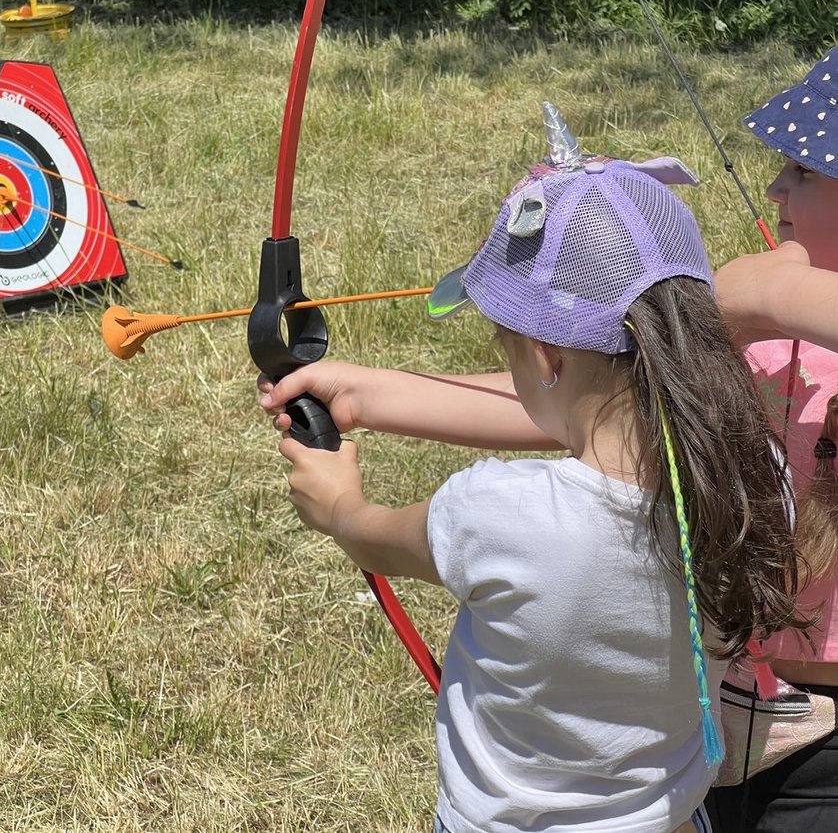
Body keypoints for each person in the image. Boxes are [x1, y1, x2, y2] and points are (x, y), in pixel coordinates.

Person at [271, 109, 807, 833]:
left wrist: (335, 500)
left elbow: (369, 534)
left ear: (549, 357)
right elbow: (612, 419)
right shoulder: (759, 477)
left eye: (508, 348)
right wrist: (368, 392)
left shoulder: (499, 514)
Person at [706, 49, 838, 833]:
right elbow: (591, 395)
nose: (774, 189)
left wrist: (768, 289)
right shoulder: (762, 344)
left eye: (805, 171)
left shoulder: (770, 308)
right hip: (729, 711)